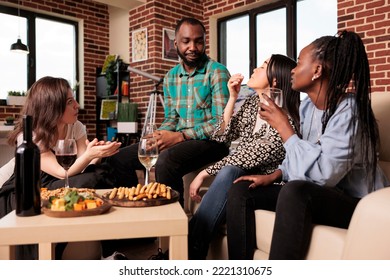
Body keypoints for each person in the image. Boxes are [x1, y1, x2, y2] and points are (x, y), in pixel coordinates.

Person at [226, 30, 389, 260]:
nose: (292, 69)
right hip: (323, 194)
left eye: (299, 62)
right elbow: (301, 160)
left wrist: (285, 127)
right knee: (241, 189)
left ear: (317, 70)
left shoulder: (349, 112)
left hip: (359, 204)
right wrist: (277, 173)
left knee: (295, 191)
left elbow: (324, 175)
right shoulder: (307, 108)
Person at [187, 54, 301, 259]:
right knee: (231, 171)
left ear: (274, 80)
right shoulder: (250, 104)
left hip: (267, 183)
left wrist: (205, 172)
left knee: (230, 170)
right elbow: (222, 135)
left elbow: (255, 153)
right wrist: (232, 97)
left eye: (263, 66)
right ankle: (188, 252)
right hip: (239, 175)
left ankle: (185, 254)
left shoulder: (286, 117)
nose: (256, 68)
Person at [107, 17, 231, 204]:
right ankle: (134, 208)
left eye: (198, 41)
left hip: (212, 142)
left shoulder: (217, 72)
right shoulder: (170, 77)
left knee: (166, 161)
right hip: (181, 139)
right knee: (121, 158)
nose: (193, 47)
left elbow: (221, 124)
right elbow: (171, 118)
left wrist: (181, 136)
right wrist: (160, 134)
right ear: (176, 43)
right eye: (186, 41)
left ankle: (175, 224)